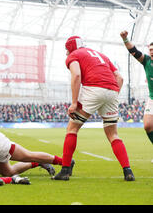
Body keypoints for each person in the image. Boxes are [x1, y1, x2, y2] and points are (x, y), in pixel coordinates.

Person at [54, 36, 134, 181]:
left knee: (72, 129)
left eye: (67, 49)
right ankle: (128, 171)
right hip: (112, 90)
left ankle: (65, 170)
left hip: (92, 89)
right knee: (113, 134)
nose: (66, 53)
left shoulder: (74, 55)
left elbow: (77, 75)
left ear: (71, 47)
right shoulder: (101, 55)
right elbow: (120, 78)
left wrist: (74, 102)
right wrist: (111, 95)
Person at [120, 30, 153, 146]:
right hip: (152, 99)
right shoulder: (147, 61)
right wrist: (125, 39)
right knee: (148, 126)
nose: (152, 52)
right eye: (150, 50)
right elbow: (134, 51)